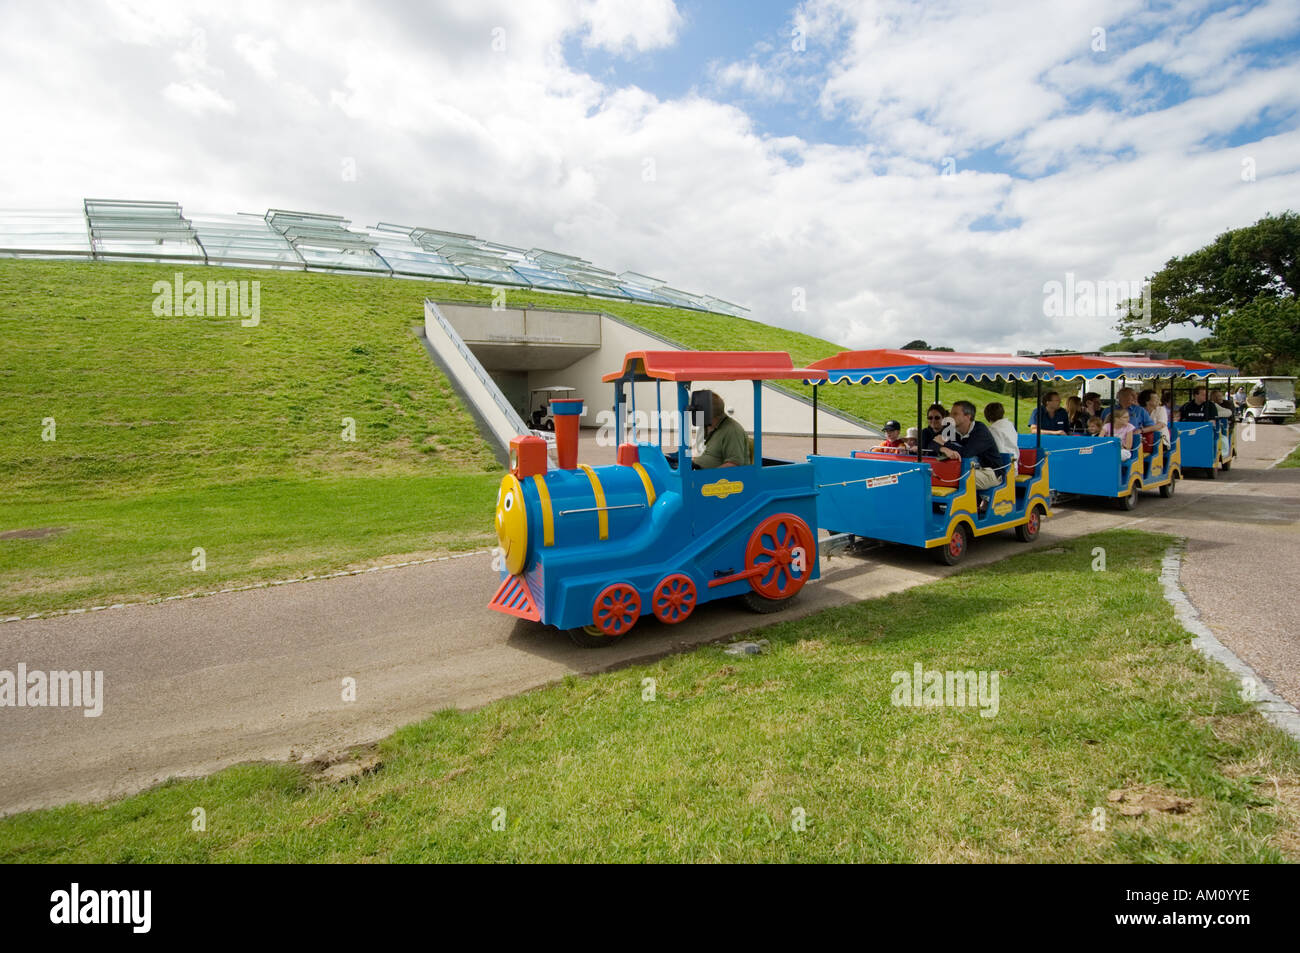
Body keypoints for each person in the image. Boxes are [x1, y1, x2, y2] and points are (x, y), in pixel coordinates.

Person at [933, 400, 1003, 492]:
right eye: (951, 414)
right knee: (940, 475)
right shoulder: (951, 429)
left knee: (957, 478)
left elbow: (967, 453)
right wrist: (943, 448)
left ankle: (963, 505)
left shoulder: (980, 430)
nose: (950, 417)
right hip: (967, 468)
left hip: (990, 472)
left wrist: (945, 444)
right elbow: (933, 442)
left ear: (968, 416)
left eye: (955, 414)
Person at [694, 391, 749, 469]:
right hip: (697, 474)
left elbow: (734, 464)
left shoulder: (732, 431)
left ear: (708, 415)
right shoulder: (706, 427)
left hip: (720, 480)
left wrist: (708, 475)